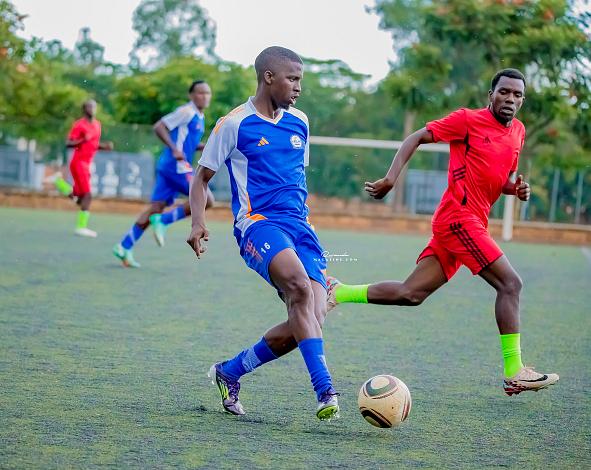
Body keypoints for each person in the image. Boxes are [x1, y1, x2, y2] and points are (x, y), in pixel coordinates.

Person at [328, 69, 559, 396]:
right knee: (511, 284)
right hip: (458, 220)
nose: (510, 99)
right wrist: (391, 178)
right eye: (504, 92)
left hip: (471, 222)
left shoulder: (518, 132)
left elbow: (499, 180)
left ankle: (337, 292)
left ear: (522, 100)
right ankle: (514, 371)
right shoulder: (467, 120)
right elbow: (415, 137)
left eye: (517, 94)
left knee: (411, 293)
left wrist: (516, 189)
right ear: (491, 95)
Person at [187, 46, 339, 420]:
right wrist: (198, 221)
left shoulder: (300, 122)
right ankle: (325, 391)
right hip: (257, 224)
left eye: (300, 80)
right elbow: (200, 178)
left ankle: (230, 371)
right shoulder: (234, 124)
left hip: (301, 228)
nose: (298, 87)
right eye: (293, 79)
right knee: (300, 289)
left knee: (309, 320)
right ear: (268, 77)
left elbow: (295, 178)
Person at [113, 80, 213, 268]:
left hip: (169, 166)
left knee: (156, 207)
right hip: (176, 166)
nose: (205, 96)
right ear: (191, 95)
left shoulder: (200, 117)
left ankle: (124, 246)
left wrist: (205, 146)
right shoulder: (187, 111)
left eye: (208, 93)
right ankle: (164, 221)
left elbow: (188, 143)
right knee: (207, 199)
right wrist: (174, 149)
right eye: (200, 93)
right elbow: (159, 126)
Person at [53, 99, 113, 237]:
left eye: (94, 107)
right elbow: (68, 143)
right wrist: (82, 140)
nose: (92, 109)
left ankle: (60, 184)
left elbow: (93, 144)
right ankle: (81, 228)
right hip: (79, 163)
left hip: (87, 163)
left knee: (80, 198)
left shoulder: (97, 125)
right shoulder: (79, 125)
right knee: (88, 195)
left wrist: (104, 146)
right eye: (89, 107)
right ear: (84, 109)